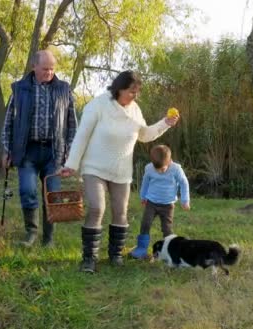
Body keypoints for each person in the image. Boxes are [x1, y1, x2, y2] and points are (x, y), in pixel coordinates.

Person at [60, 70, 179, 273]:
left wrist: (164, 124)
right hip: (94, 167)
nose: (135, 96)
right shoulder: (98, 105)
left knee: (120, 212)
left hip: (121, 170)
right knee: (97, 208)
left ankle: (115, 255)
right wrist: (71, 164)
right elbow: (82, 135)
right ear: (119, 88)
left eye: (137, 92)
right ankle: (89, 258)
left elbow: (144, 134)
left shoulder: (134, 110)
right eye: (132, 91)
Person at [1, 50, 77, 247]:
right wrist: (7, 150)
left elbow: (72, 124)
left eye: (52, 69)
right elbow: (8, 122)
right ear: (34, 67)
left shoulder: (64, 89)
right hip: (27, 151)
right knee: (27, 191)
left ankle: (49, 238)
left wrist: (70, 152)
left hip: (54, 152)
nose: (49, 73)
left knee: (52, 196)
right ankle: (31, 233)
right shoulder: (19, 89)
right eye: (45, 69)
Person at [129, 145, 190, 259]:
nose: (160, 172)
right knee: (145, 224)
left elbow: (184, 183)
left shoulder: (176, 169)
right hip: (151, 203)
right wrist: (143, 196)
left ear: (170, 161)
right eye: (157, 169)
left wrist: (185, 200)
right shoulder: (149, 168)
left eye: (162, 169)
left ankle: (171, 251)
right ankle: (141, 249)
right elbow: (145, 182)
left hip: (168, 205)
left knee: (167, 228)